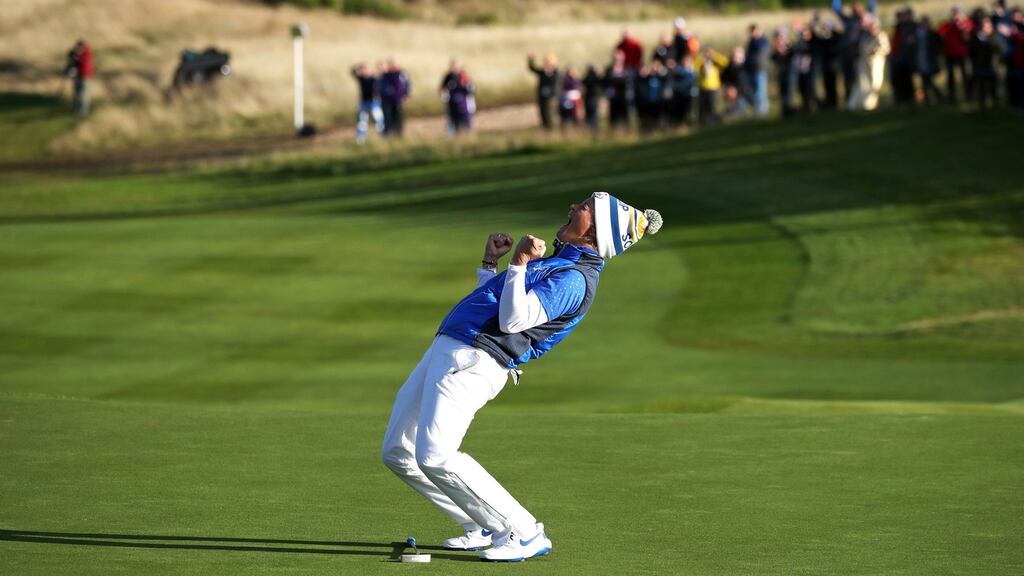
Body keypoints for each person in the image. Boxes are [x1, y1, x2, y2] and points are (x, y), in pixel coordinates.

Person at [381, 192, 663, 563]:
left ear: (595, 232)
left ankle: (523, 531)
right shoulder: (558, 264)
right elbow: (494, 303)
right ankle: (479, 524)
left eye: (585, 208)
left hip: (474, 361)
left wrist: (519, 263)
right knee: (398, 451)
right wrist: (490, 265)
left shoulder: (574, 279)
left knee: (435, 454)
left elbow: (514, 321)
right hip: (452, 348)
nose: (574, 207)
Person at [832, 0, 878, 104]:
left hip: (860, 54)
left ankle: (864, 101)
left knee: (861, 78)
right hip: (847, 54)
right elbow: (836, 9)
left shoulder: (867, 19)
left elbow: (872, 5)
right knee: (847, 78)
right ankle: (849, 101)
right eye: (854, 9)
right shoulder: (848, 20)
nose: (856, 10)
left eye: (858, 8)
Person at [847, 15, 890, 111]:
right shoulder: (865, 36)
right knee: (864, 84)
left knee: (876, 83)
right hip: (865, 64)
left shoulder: (881, 36)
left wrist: (876, 51)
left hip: (877, 64)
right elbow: (862, 49)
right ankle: (865, 104)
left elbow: (885, 49)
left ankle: (872, 103)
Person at [938, 7, 974, 103]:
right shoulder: (947, 25)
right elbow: (940, 33)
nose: (955, 16)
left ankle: (969, 95)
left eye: (957, 14)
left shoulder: (965, 24)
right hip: (949, 54)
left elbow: (969, 32)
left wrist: (961, 25)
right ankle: (951, 97)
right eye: (954, 14)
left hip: (961, 54)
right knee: (950, 77)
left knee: (965, 76)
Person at [969, 18, 1005, 108]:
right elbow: (971, 51)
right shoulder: (976, 37)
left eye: (988, 27)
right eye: (984, 27)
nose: (986, 29)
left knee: (994, 86)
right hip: (980, 66)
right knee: (982, 87)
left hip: (992, 66)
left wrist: (989, 38)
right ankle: (982, 105)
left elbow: (1000, 48)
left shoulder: (994, 37)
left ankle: (996, 105)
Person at [890, 7, 920, 107]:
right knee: (899, 80)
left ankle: (910, 99)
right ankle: (901, 99)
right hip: (899, 58)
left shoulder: (913, 27)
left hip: (908, 58)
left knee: (908, 81)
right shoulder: (899, 27)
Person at [694, 47, 729, 125]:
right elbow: (694, 66)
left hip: (713, 88)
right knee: (702, 107)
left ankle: (712, 121)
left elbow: (725, 62)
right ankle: (702, 122)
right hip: (702, 87)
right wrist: (702, 57)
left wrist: (714, 56)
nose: (708, 54)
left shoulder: (715, 62)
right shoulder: (701, 63)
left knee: (712, 106)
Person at [351, 63, 384, 144]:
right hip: (364, 102)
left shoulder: (374, 78)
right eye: (362, 70)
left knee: (378, 119)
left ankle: (383, 135)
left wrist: (380, 69)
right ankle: (360, 138)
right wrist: (358, 67)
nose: (364, 71)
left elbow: (382, 77)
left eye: (365, 69)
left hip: (374, 102)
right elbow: (352, 71)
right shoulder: (361, 78)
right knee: (362, 121)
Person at [379, 58, 411, 137]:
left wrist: (407, 95)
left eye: (394, 65)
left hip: (398, 100)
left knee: (399, 118)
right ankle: (388, 134)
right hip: (387, 101)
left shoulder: (402, 74)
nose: (393, 67)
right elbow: (380, 87)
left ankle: (398, 134)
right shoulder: (385, 76)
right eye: (391, 65)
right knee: (388, 118)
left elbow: (408, 85)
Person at [744, 24, 771, 116]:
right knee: (753, 92)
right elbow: (748, 56)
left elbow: (761, 48)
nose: (752, 33)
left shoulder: (762, 40)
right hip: (750, 70)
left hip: (760, 69)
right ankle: (758, 110)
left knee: (760, 91)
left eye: (754, 31)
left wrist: (756, 38)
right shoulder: (751, 42)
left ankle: (762, 112)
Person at [527, 53, 559, 130]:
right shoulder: (542, 72)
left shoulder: (555, 73)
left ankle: (551, 129)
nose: (547, 64)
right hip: (542, 96)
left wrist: (548, 74)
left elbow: (555, 84)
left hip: (551, 97)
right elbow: (532, 69)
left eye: (549, 63)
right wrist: (531, 60)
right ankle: (545, 128)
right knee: (542, 113)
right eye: (546, 63)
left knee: (550, 114)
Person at [919, 16, 945, 104]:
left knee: (927, 81)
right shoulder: (919, 34)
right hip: (922, 61)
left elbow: (940, 43)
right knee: (925, 81)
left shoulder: (933, 33)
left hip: (930, 61)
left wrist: (937, 52)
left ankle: (937, 97)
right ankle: (929, 99)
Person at [794, 24, 819, 113]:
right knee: (802, 88)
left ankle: (813, 107)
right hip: (801, 70)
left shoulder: (812, 43)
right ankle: (805, 106)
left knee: (811, 89)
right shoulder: (800, 44)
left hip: (810, 70)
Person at [65, 39, 94, 117]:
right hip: (77, 77)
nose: (78, 48)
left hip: (85, 77)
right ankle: (76, 110)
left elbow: (83, 63)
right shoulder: (78, 54)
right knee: (76, 94)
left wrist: (77, 57)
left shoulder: (86, 54)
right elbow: (73, 61)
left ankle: (83, 112)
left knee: (83, 95)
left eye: (80, 46)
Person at [773, 28, 798, 117]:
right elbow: (774, 59)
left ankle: (790, 110)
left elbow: (793, 56)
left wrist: (785, 50)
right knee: (783, 92)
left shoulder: (790, 46)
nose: (780, 39)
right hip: (781, 72)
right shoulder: (776, 49)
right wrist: (778, 51)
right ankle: (785, 111)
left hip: (790, 72)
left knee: (789, 91)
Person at [604, 51, 632, 129]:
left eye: (619, 59)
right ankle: (613, 132)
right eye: (615, 59)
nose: (617, 61)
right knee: (613, 117)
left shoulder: (627, 69)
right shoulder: (609, 69)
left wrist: (616, 80)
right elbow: (606, 81)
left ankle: (626, 131)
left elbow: (628, 81)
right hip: (613, 97)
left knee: (625, 116)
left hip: (624, 97)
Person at [669, 54, 698, 126]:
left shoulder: (693, 71)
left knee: (690, 109)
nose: (687, 63)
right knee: (681, 110)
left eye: (689, 61)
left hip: (690, 93)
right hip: (680, 93)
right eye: (686, 61)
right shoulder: (679, 70)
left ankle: (689, 123)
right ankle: (680, 123)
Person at [721, 47, 750, 117]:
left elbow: (744, 81)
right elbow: (723, 78)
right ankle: (730, 110)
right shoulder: (729, 66)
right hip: (732, 90)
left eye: (736, 56)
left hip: (743, 91)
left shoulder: (745, 66)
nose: (735, 58)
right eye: (734, 56)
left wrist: (736, 89)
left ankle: (739, 111)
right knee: (730, 92)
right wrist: (728, 87)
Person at [439, 59, 463, 134]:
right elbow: (442, 88)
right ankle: (451, 135)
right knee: (451, 119)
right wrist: (444, 96)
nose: (454, 67)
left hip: (461, 102)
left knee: (461, 119)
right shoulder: (448, 76)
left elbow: (468, 88)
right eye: (453, 65)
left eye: (456, 65)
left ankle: (462, 133)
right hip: (451, 102)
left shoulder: (462, 75)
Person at [582, 65, 603, 130]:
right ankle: (589, 127)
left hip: (594, 97)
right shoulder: (588, 77)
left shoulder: (595, 77)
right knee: (589, 113)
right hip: (589, 98)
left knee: (594, 113)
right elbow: (583, 82)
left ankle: (594, 127)